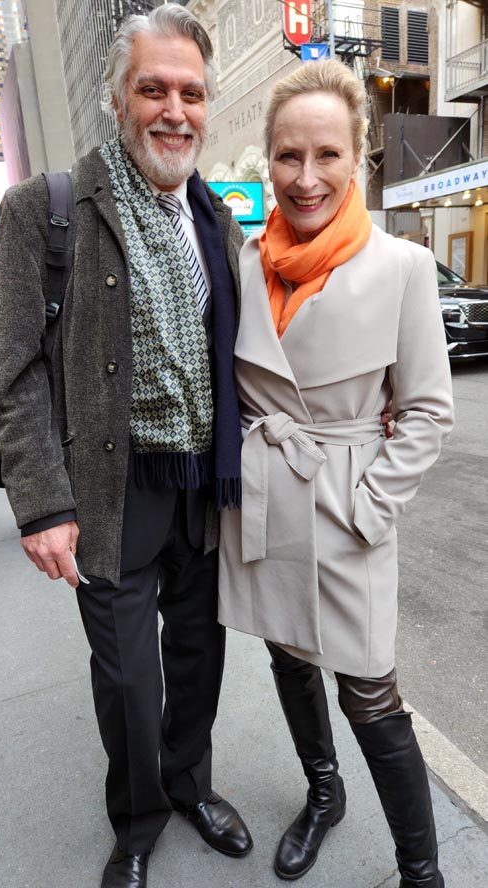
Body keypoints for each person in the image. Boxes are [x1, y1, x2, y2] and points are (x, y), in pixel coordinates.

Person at [0, 6, 253, 888]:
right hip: (108, 488)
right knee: (131, 682)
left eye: (190, 92)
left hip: (202, 485)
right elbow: (13, 371)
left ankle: (191, 785)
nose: (174, 110)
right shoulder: (43, 211)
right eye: (154, 89)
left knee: (199, 659)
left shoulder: (215, 222)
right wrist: (44, 503)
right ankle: (137, 822)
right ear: (116, 98)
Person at [218, 59, 453, 887]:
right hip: (268, 498)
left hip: (347, 501)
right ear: (269, 160)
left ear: (359, 159)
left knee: (372, 693)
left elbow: (426, 412)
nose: (306, 177)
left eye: (326, 155)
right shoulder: (246, 263)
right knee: (289, 657)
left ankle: (421, 872)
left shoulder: (402, 268)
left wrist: (366, 508)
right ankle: (325, 794)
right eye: (287, 156)